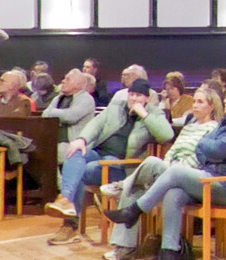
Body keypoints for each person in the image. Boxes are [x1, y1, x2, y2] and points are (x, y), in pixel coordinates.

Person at [103, 86, 226, 260]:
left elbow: (214, 149)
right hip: (209, 179)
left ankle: (134, 210)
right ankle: (169, 252)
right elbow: (204, 148)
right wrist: (208, 148)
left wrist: (208, 148)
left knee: (175, 172)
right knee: (174, 193)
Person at [44, 73, 173, 250]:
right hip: (98, 154)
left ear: (146, 98)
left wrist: (144, 114)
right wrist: (81, 139)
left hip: (121, 165)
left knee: (82, 171)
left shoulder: (154, 113)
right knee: (74, 152)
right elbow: (95, 125)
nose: (134, 99)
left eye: (138, 96)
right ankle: (66, 199)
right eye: (131, 94)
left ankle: (70, 224)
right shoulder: (116, 107)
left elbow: (166, 135)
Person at [39, 69, 96, 158]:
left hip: (73, 143)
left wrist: (52, 111)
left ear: (78, 84)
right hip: (54, 140)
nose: (63, 81)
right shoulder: (58, 98)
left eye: (68, 79)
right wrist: (54, 113)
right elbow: (44, 115)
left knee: (47, 153)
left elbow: (69, 117)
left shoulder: (86, 99)